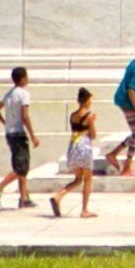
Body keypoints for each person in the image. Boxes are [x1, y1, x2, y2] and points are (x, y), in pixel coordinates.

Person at [0, 66, 35, 209]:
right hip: (19, 133)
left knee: (21, 166)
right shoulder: (24, 94)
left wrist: (5, 123)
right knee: (21, 168)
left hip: (9, 132)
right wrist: (33, 135)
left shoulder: (8, 94)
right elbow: (25, 116)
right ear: (23, 78)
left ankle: (24, 198)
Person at [49, 89, 100, 218]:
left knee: (77, 179)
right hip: (84, 146)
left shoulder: (72, 115)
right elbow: (93, 135)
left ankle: (58, 196)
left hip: (73, 145)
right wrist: (92, 122)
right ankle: (84, 210)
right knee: (87, 179)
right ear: (88, 101)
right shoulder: (89, 116)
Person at [108, 38, 135, 176]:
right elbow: (131, 90)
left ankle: (114, 154)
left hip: (126, 102)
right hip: (126, 102)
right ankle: (126, 167)